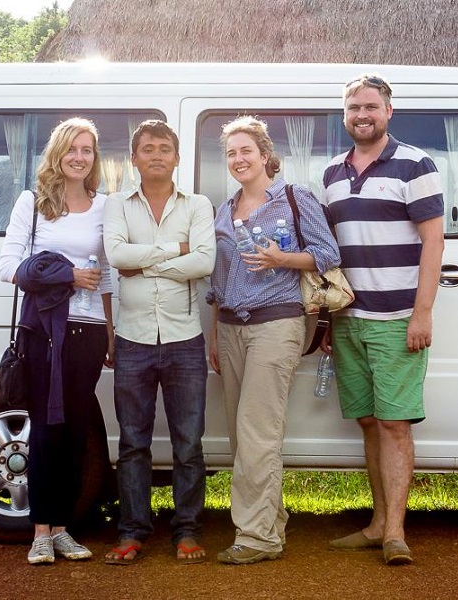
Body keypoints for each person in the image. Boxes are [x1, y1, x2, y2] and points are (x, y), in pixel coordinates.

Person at [322, 74, 444, 566]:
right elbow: (330, 252)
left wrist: (422, 313)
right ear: (344, 114)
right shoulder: (332, 171)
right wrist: (329, 322)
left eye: (370, 106)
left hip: (397, 318)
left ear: (389, 111)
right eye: (353, 107)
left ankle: (395, 532)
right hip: (349, 318)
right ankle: (375, 525)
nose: (361, 115)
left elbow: (433, 242)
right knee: (370, 422)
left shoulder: (416, 163)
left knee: (394, 424)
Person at [207, 116, 340, 565]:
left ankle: (257, 537)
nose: (238, 159)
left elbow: (328, 254)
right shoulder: (224, 210)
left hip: (278, 324)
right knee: (240, 438)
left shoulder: (295, 198)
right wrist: (213, 335)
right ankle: (269, 523)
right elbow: (217, 279)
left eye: (246, 150)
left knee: (258, 432)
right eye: (231, 153)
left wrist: (282, 258)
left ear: (265, 154)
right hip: (229, 326)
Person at [0, 117, 115, 565]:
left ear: (94, 157)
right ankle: (40, 533)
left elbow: (108, 280)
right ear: (57, 153)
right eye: (72, 148)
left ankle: (63, 528)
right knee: (46, 430)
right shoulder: (32, 203)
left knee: (74, 430)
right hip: (46, 331)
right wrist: (66, 275)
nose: (80, 157)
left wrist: (110, 332)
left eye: (87, 150)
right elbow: (8, 267)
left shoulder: (104, 207)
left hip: (86, 334)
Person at [103, 119, 215, 565]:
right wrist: (174, 251)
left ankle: (187, 531)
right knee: (133, 442)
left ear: (176, 157)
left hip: (185, 338)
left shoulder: (199, 204)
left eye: (164, 148)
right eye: (147, 148)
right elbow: (116, 256)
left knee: (189, 443)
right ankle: (132, 531)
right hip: (131, 338)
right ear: (134, 158)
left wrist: (144, 261)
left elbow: (204, 261)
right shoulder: (117, 204)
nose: (155, 155)